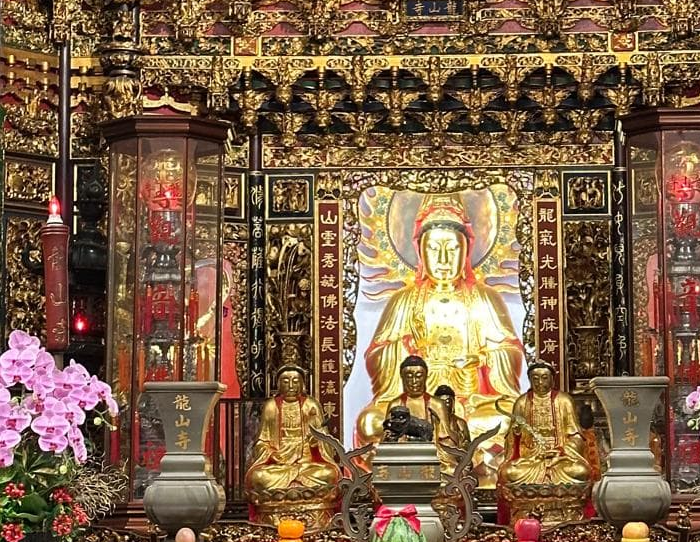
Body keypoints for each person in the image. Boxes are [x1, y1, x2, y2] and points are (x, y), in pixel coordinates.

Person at [356, 196, 524, 451]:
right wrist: (406, 352)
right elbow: (377, 354)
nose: (444, 259)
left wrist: (482, 359)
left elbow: (508, 350)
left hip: (471, 400)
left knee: (508, 419)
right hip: (414, 403)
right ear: (420, 252)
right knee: (370, 422)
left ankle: (442, 444)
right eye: (434, 249)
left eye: (453, 249)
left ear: (466, 251)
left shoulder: (484, 298)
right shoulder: (404, 300)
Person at [245, 363, 340, 511]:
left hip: (306, 465)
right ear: (278, 384)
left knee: (328, 474)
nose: (290, 386)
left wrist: (316, 443)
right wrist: (272, 454)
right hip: (280, 465)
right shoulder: (271, 407)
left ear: (302, 384)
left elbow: (325, 442)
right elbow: (261, 442)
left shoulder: (311, 405)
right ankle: (296, 490)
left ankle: (295, 489)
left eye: (295, 381)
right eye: (285, 381)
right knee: (259, 477)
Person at [498, 359, 592, 502]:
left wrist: (560, 451)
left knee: (580, 471)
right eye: (535, 378)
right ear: (530, 380)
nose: (540, 382)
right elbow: (512, 439)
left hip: (560, 459)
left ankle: (543, 491)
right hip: (531, 458)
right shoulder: (522, 402)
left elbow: (576, 436)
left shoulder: (564, 401)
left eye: (544, 378)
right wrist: (516, 433)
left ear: (552, 380)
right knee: (509, 472)